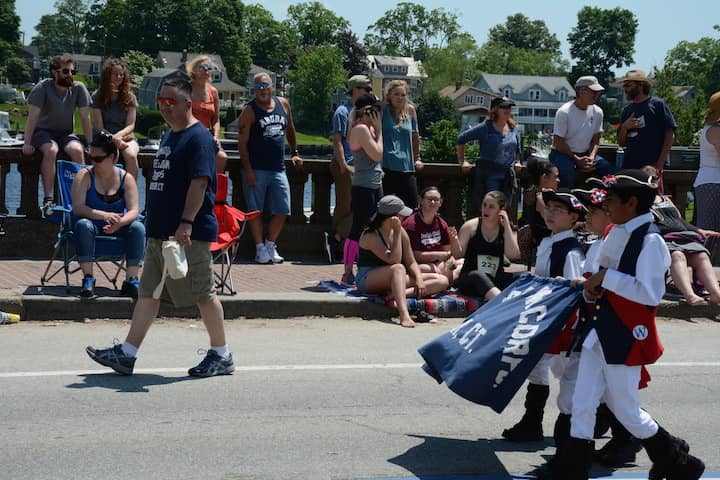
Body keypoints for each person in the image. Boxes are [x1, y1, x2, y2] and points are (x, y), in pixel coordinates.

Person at [556, 169, 706, 479]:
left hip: (625, 333)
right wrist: (593, 284)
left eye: (611, 200)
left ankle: (675, 459)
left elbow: (649, 293)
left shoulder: (650, 242)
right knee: (583, 402)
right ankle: (572, 469)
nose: (606, 205)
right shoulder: (616, 232)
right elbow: (604, 275)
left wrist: (606, 279)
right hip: (599, 329)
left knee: (626, 410)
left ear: (632, 202)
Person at [86, 78, 234, 378]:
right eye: (160, 102)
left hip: (188, 233)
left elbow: (200, 182)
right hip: (159, 231)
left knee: (204, 293)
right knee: (148, 294)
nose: (164, 107)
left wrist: (186, 222)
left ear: (187, 104)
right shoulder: (169, 136)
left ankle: (222, 354)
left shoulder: (199, 138)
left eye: (170, 102)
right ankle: (127, 354)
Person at [502, 190, 585, 443]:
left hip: (560, 320)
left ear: (573, 218)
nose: (550, 214)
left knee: (568, 373)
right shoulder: (550, 241)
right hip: (544, 314)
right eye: (548, 208)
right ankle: (532, 421)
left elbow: (574, 287)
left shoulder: (570, 250)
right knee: (539, 367)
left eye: (558, 210)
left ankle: (602, 417)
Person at [237, 73, 302, 264]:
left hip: (278, 168)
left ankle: (270, 245)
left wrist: (295, 152)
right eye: (257, 87)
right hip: (256, 169)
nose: (262, 89)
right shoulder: (249, 111)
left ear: (272, 86)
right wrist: (248, 170)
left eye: (265, 85)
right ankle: (259, 249)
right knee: (255, 211)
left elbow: (290, 128)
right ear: (253, 90)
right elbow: (242, 144)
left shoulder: (283, 104)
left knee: (283, 209)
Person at [71, 130, 145, 298]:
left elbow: (134, 210)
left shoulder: (126, 178)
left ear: (112, 157)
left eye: (98, 159)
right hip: (92, 226)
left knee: (138, 227)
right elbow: (78, 208)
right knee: (82, 224)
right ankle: (88, 278)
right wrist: (104, 215)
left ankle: (131, 280)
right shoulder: (84, 176)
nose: (93, 162)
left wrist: (119, 223)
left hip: (118, 226)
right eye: (91, 157)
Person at [357, 195, 449, 328]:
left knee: (442, 280)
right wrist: (397, 232)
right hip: (367, 278)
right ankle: (404, 314)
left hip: (393, 278)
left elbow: (411, 261)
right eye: (401, 214)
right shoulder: (370, 235)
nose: (404, 218)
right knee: (398, 268)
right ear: (392, 217)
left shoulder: (401, 232)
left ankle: (397, 294)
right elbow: (394, 260)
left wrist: (418, 278)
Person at [22, 54, 92, 216]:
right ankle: (48, 200)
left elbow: (85, 118)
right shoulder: (43, 87)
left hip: (66, 133)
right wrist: (27, 142)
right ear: (55, 72)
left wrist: (90, 143)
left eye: (72, 72)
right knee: (51, 150)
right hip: (43, 132)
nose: (70, 75)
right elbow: (32, 117)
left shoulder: (78, 88)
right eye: (66, 71)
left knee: (77, 151)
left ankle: (79, 198)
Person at [642, 165, 720, 306]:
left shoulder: (665, 199)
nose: (653, 181)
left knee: (701, 255)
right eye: (649, 178)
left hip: (683, 236)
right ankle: (690, 295)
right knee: (677, 255)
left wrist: (699, 230)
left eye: (655, 178)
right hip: (661, 239)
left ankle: (716, 294)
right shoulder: (640, 202)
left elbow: (681, 220)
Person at [324, 74, 374, 264]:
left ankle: (337, 237)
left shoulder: (366, 112)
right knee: (345, 205)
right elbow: (337, 141)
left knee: (364, 207)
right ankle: (338, 243)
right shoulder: (343, 112)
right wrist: (343, 163)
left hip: (362, 167)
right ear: (355, 90)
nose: (369, 92)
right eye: (366, 89)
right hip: (346, 164)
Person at [341, 93, 384, 285]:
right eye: (374, 109)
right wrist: (380, 130)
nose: (378, 113)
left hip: (375, 184)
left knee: (377, 226)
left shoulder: (370, 129)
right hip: (363, 186)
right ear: (365, 111)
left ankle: (368, 265)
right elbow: (376, 154)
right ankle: (347, 272)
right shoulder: (361, 130)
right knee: (358, 228)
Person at [453, 191, 520, 301]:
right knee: (478, 276)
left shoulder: (506, 229)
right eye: (484, 205)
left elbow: (513, 255)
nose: (486, 209)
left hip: (495, 277)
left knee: (522, 276)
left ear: (501, 210)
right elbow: (457, 255)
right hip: (471, 278)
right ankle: (502, 303)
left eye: (491, 207)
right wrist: (455, 241)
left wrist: (507, 225)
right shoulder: (470, 226)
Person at [550, 76, 615, 188]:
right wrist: (576, 159)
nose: (597, 95)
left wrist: (591, 157)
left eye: (598, 92)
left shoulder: (598, 112)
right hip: (562, 153)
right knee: (567, 171)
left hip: (585, 154)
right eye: (593, 92)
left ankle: (605, 202)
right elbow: (557, 142)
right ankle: (566, 200)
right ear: (581, 91)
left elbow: (596, 140)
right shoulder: (564, 112)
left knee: (608, 170)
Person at [457, 96, 522, 205]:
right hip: (489, 174)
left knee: (504, 207)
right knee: (492, 205)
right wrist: (462, 161)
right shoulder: (485, 127)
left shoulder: (512, 128)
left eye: (509, 107)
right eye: (503, 107)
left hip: (507, 175)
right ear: (495, 109)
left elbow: (517, 149)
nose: (507, 109)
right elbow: (461, 139)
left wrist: (518, 162)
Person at [617, 70, 677, 176]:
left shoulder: (657, 104)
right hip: (630, 166)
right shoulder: (627, 110)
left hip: (652, 166)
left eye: (628, 85)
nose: (625, 89)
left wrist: (661, 162)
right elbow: (621, 143)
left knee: (650, 192)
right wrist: (625, 128)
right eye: (624, 86)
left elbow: (670, 134)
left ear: (640, 85)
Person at [403, 186, 462, 286]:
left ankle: (444, 281)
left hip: (438, 264)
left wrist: (454, 240)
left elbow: (447, 252)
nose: (433, 202)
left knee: (461, 263)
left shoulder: (442, 223)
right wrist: (437, 255)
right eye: (430, 199)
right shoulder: (411, 224)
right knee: (427, 269)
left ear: (441, 202)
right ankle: (442, 281)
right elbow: (413, 255)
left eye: (436, 200)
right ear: (421, 200)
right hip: (417, 265)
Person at [91, 58, 140, 179]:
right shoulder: (97, 96)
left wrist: (119, 136)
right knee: (109, 156)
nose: (119, 77)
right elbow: (98, 127)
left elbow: (130, 125)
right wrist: (113, 139)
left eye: (121, 75)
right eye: (115, 74)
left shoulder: (130, 97)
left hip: (125, 138)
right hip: (104, 137)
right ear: (108, 75)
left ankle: (130, 192)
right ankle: (107, 191)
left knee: (131, 156)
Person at [381, 80, 421, 209]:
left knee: (412, 207)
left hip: (407, 167)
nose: (400, 97)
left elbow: (415, 137)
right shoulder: (382, 110)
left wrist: (417, 158)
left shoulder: (410, 110)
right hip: (386, 166)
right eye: (396, 94)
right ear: (389, 96)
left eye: (403, 95)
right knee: (386, 209)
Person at [187, 55, 228, 173]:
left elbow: (216, 120)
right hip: (188, 133)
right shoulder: (186, 88)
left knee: (221, 157)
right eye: (202, 67)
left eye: (208, 67)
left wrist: (215, 136)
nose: (206, 70)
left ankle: (213, 188)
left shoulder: (213, 91)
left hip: (207, 135)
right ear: (193, 70)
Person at [516, 157, 560, 262]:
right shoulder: (542, 195)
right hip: (542, 238)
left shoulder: (532, 190)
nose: (558, 180)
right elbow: (546, 216)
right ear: (544, 177)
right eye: (556, 177)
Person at [693, 90, 720, 239]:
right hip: (714, 183)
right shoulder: (716, 130)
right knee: (711, 230)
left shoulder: (711, 128)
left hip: (709, 181)